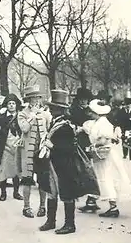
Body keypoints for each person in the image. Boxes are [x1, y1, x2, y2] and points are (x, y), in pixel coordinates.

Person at [38, 90, 100, 234]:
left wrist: (51, 146)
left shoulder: (66, 126)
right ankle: (50, 221)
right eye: (51, 107)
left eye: (53, 108)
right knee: (51, 191)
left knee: (67, 194)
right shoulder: (55, 122)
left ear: (60, 110)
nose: (51, 110)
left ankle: (70, 224)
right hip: (54, 163)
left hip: (65, 164)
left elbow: (69, 147)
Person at [79, 99, 131, 217]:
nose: (89, 113)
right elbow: (87, 128)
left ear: (96, 112)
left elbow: (104, 140)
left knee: (106, 178)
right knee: (96, 177)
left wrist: (93, 145)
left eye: (90, 111)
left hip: (105, 155)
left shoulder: (104, 124)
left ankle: (113, 207)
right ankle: (92, 201)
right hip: (100, 155)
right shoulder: (96, 122)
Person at [17, 86, 52, 218]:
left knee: (42, 179)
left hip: (41, 150)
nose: (35, 101)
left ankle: (42, 206)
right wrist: (31, 117)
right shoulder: (22, 114)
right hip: (28, 151)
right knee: (27, 179)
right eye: (32, 98)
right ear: (28, 99)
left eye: (37, 98)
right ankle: (26, 207)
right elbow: (24, 128)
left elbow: (48, 128)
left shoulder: (44, 114)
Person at [0, 94, 24, 201]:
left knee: (16, 170)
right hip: (4, 147)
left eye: (13, 103)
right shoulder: (0, 118)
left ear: (16, 105)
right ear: (6, 105)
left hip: (17, 146)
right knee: (3, 170)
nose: (11, 106)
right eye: (9, 104)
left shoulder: (20, 117)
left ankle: (16, 192)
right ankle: (3, 193)